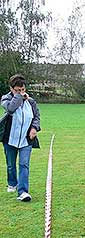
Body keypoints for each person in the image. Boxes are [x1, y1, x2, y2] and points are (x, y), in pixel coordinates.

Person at [1, 74, 40, 202]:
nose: (21, 92)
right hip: (10, 139)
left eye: (22, 89)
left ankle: (23, 192)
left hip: (26, 140)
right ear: (11, 89)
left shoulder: (31, 102)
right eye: (17, 90)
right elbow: (11, 108)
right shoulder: (5, 99)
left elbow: (36, 116)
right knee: (11, 165)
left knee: (24, 164)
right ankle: (12, 183)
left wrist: (34, 128)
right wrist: (19, 97)